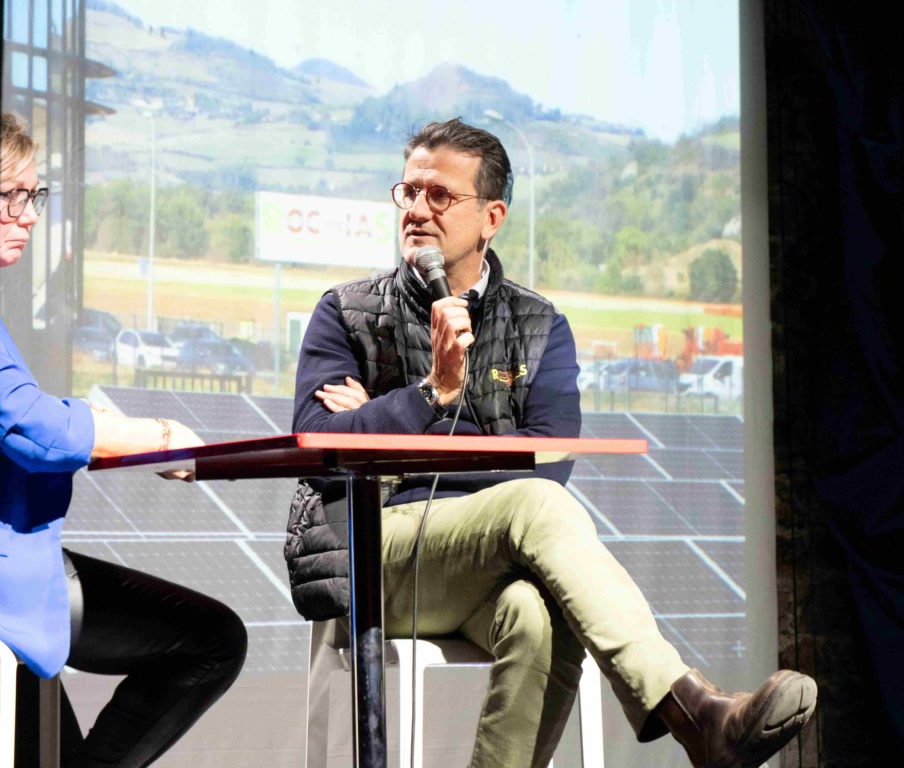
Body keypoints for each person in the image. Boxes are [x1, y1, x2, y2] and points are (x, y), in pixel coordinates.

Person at [285, 118, 816, 768]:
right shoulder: (346, 311)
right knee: (534, 512)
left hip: (480, 561)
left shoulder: (539, 326)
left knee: (542, 614)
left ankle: (697, 722)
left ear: (492, 217)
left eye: (440, 196)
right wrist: (432, 397)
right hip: (372, 550)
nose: (417, 210)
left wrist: (393, 437)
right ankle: (697, 714)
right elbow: (322, 451)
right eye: (408, 192)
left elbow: (550, 459)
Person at [0, 113, 247, 767]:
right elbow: (29, 427)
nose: (30, 214)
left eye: (34, 196)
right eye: (13, 194)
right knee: (212, 640)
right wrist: (150, 434)